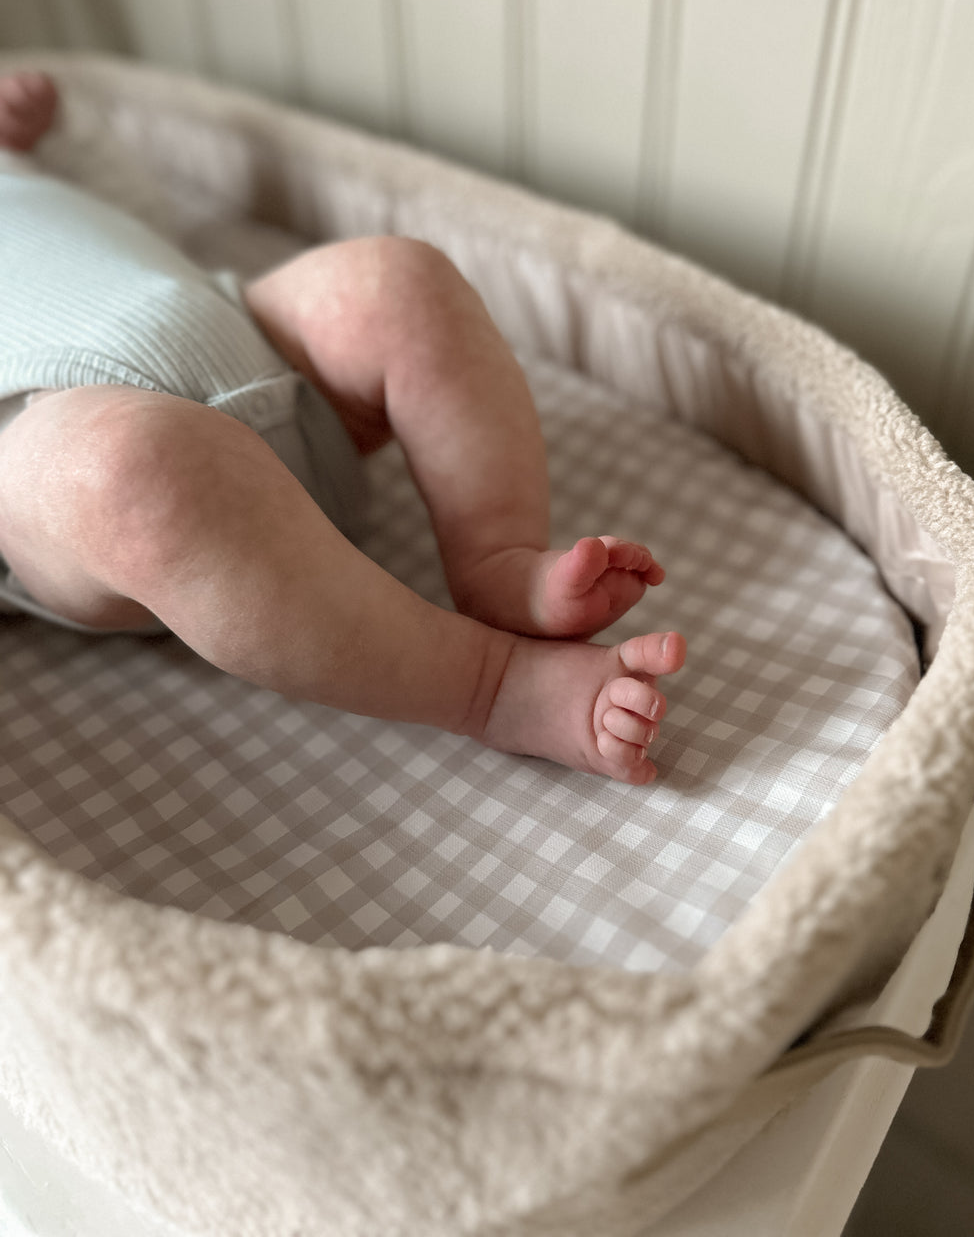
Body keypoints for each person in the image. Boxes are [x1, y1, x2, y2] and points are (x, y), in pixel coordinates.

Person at [0, 70, 685, 785]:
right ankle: (492, 686)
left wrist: (44, 132)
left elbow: (141, 207)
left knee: (401, 283)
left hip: (237, 331)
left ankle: (498, 558)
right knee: (129, 471)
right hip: (47, 441)